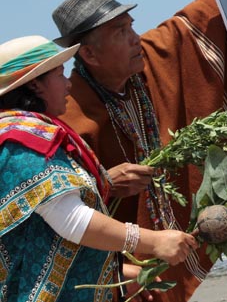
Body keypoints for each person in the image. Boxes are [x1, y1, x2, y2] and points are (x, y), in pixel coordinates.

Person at [51, 0, 227, 302]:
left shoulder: (148, 60)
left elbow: (197, 19)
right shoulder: (68, 113)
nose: (134, 38)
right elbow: (53, 205)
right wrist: (103, 182)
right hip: (110, 268)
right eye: (120, 32)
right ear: (88, 54)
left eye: (131, 26)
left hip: (162, 247)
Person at [0, 35, 197, 302]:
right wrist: (153, 241)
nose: (68, 84)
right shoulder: (23, 140)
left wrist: (114, 273)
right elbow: (71, 219)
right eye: (59, 74)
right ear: (35, 85)